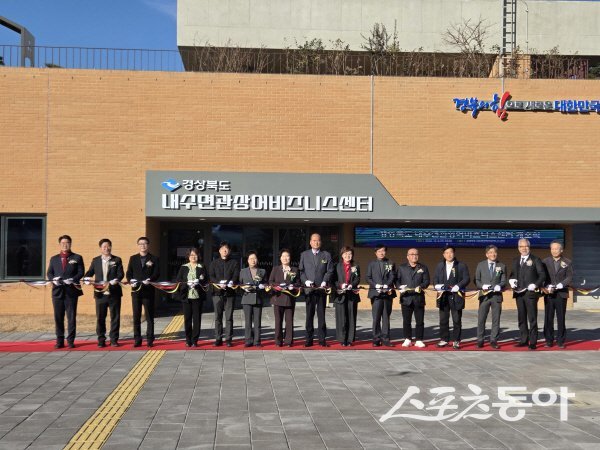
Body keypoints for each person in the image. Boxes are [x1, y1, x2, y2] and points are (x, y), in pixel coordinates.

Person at [83, 239, 124, 347]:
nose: (106, 248)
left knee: (115, 317)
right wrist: (86, 278)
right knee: (100, 318)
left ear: (111, 247)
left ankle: (114, 339)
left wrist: (116, 280)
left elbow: (120, 274)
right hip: (100, 294)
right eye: (104, 247)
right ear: (100, 248)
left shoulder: (117, 260)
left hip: (114, 293)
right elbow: (89, 272)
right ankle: (101, 339)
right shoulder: (96, 260)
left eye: (108, 246)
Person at [47, 235, 85, 349]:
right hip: (57, 292)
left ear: (70, 244)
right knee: (58, 317)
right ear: (59, 244)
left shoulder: (77, 257)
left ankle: (70, 341)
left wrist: (73, 279)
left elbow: (81, 272)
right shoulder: (54, 259)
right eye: (63, 243)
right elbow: (49, 273)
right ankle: (59, 340)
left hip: (71, 292)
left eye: (67, 243)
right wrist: (53, 279)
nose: (65, 245)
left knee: (71, 317)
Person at [509, 238, 546, 350]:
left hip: (530, 293)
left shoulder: (535, 259)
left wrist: (536, 284)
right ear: (518, 248)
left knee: (532, 318)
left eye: (526, 246)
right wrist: (511, 280)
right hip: (519, 293)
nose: (524, 248)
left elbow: (542, 275)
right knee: (521, 318)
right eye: (521, 246)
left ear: (529, 247)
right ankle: (524, 339)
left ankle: (533, 341)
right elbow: (512, 274)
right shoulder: (515, 260)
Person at [299, 233, 334, 347]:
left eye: (318, 240)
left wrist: (324, 281)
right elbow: (301, 271)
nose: (316, 242)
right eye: (314, 240)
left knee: (321, 315)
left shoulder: (326, 255)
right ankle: (308, 339)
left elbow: (330, 271)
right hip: (309, 290)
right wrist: (306, 281)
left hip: (321, 289)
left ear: (321, 242)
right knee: (309, 315)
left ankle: (322, 339)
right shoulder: (304, 254)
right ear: (310, 242)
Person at [433, 245, 470, 349]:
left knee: (456, 320)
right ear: (443, 254)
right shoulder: (440, 266)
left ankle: (456, 340)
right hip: (443, 296)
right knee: (443, 320)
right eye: (447, 253)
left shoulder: (461, 265)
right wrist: (437, 285)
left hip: (456, 296)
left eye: (451, 252)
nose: (449, 255)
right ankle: (444, 339)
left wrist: (458, 286)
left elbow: (466, 278)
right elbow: (435, 279)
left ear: (454, 253)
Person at [126, 236, 160, 347]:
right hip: (136, 291)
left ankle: (150, 339)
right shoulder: (133, 258)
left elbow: (157, 273)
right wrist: (130, 280)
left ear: (148, 245)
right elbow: (129, 272)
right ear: (138, 245)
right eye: (140, 244)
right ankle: (137, 339)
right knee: (136, 316)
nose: (143, 246)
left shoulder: (154, 258)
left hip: (148, 291)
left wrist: (150, 279)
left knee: (149, 316)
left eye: (145, 243)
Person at [474, 245, 507, 349]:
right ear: (487, 254)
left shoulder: (501, 266)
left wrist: (500, 285)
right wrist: (481, 286)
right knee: (481, 318)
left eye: (495, 252)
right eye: (491, 252)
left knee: (496, 319)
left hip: (496, 296)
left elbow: (504, 281)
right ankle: (480, 339)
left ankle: (493, 340)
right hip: (484, 296)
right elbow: (476, 280)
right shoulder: (480, 265)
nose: (493, 254)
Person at [396, 248, 430, 348]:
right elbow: (397, 280)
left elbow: (427, 281)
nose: (414, 256)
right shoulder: (401, 267)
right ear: (407, 256)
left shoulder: (423, 267)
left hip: (418, 298)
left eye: (416, 254)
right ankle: (408, 339)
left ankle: (419, 339)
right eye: (412, 254)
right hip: (406, 298)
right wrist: (399, 287)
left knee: (420, 321)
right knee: (406, 320)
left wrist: (421, 286)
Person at [542, 240, 573, 349]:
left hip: (561, 293)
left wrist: (562, 284)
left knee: (561, 318)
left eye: (556, 249)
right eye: (552, 249)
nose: (554, 251)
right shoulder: (545, 262)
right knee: (548, 318)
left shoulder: (567, 262)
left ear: (561, 250)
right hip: (549, 294)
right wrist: (546, 286)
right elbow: (542, 276)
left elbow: (569, 276)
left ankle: (560, 341)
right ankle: (549, 340)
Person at [209, 241, 240, 347]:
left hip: (230, 293)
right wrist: (218, 283)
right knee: (218, 317)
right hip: (217, 293)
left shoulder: (234, 262)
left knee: (229, 317)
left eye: (226, 249)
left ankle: (228, 339)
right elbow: (211, 276)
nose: (224, 250)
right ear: (219, 251)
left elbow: (236, 275)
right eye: (222, 249)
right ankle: (218, 338)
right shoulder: (214, 263)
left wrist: (231, 281)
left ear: (229, 251)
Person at [175, 247, 207, 347]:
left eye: (195, 255)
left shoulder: (202, 266)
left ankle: (195, 340)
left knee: (197, 319)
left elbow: (206, 280)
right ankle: (188, 340)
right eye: (191, 255)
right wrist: (186, 283)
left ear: (198, 256)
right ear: (188, 256)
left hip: (198, 296)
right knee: (187, 319)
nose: (193, 257)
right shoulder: (183, 267)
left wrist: (199, 281)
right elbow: (178, 280)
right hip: (186, 296)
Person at [366, 244, 396, 347]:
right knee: (376, 317)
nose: (381, 253)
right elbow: (368, 277)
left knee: (386, 317)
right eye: (379, 251)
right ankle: (376, 338)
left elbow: (392, 275)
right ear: (375, 253)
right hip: (376, 293)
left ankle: (385, 338)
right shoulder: (371, 264)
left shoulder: (390, 263)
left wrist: (387, 284)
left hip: (387, 293)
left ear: (385, 252)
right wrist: (376, 285)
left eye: (383, 251)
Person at [269, 249, 300, 347]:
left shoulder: (294, 270)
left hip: (289, 298)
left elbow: (298, 283)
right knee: (278, 321)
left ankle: (288, 341)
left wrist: (293, 286)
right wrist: (277, 286)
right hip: (278, 298)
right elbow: (270, 281)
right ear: (280, 258)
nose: (285, 258)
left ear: (290, 258)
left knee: (289, 321)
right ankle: (278, 341)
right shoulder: (275, 269)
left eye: (287, 256)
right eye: (283, 256)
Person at [333, 246, 361, 347]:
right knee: (341, 318)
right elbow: (334, 279)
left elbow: (357, 278)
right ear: (342, 255)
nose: (347, 256)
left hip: (352, 294)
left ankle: (350, 339)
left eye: (350, 254)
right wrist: (341, 285)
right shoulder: (337, 266)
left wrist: (352, 285)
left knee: (351, 317)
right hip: (340, 295)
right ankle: (342, 339)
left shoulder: (355, 266)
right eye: (345, 254)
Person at [239, 251, 267, 347]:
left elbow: (266, 283)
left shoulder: (262, 271)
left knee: (257, 321)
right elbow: (239, 285)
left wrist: (263, 286)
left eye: (254, 258)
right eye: (251, 258)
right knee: (248, 321)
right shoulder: (243, 271)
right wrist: (243, 288)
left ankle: (257, 341)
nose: (253, 260)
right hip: (246, 298)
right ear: (247, 260)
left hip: (258, 298)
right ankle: (248, 340)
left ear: (257, 260)